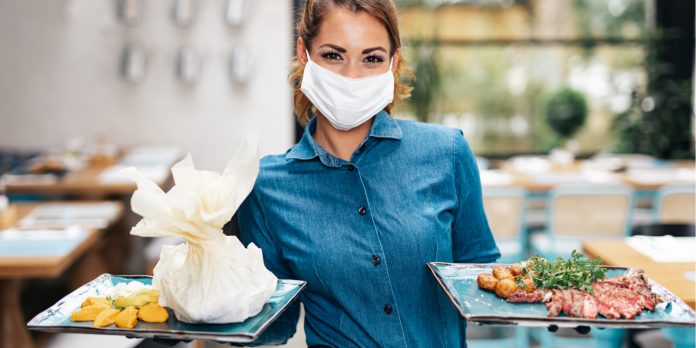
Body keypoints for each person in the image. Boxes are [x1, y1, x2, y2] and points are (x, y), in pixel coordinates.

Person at [237, 0, 500, 346]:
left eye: (371, 58)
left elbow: (482, 280)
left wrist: (551, 301)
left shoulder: (447, 153)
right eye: (333, 55)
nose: (350, 76)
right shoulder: (266, 186)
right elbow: (274, 321)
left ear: (394, 63)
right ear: (304, 55)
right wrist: (199, 313)